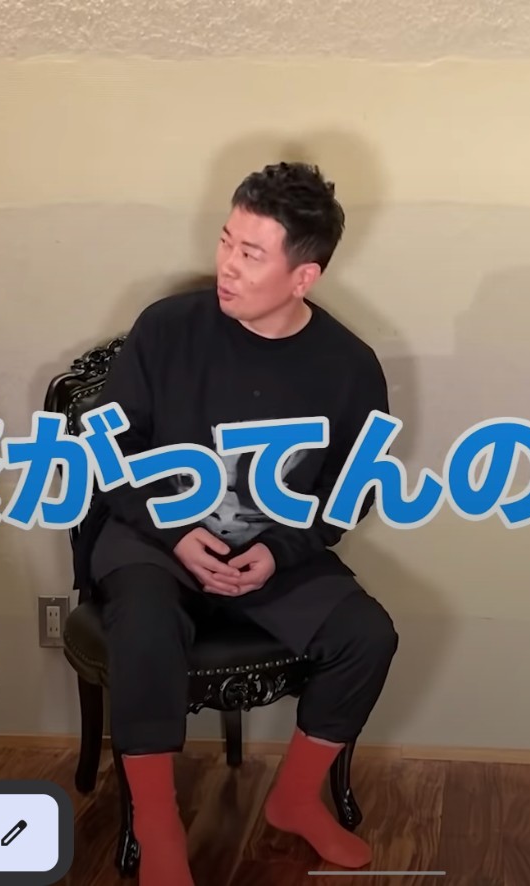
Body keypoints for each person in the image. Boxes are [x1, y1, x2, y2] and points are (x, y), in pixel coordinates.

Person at [81, 162, 399, 885]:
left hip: (272, 549)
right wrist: (173, 530)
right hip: (155, 538)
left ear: (303, 276)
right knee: (145, 621)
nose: (226, 265)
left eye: (251, 254)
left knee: (367, 635)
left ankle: (294, 800)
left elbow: (349, 492)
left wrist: (280, 552)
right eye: (226, 241)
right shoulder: (167, 328)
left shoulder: (350, 367)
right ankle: (158, 827)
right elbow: (109, 449)